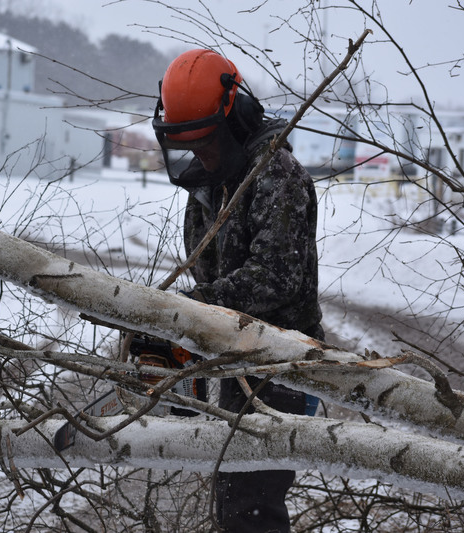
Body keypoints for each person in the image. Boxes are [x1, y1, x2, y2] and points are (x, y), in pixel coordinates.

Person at [152, 49, 325, 533]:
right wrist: (177, 334)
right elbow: (209, 277)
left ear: (232, 116)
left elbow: (275, 276)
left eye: (207, 141)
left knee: (251, 507)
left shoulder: (276, 175)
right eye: (190, 145)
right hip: (235, 357)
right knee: (232, 495)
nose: (201, 154)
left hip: (282, 360)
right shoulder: (209, 186)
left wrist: (189, 310)